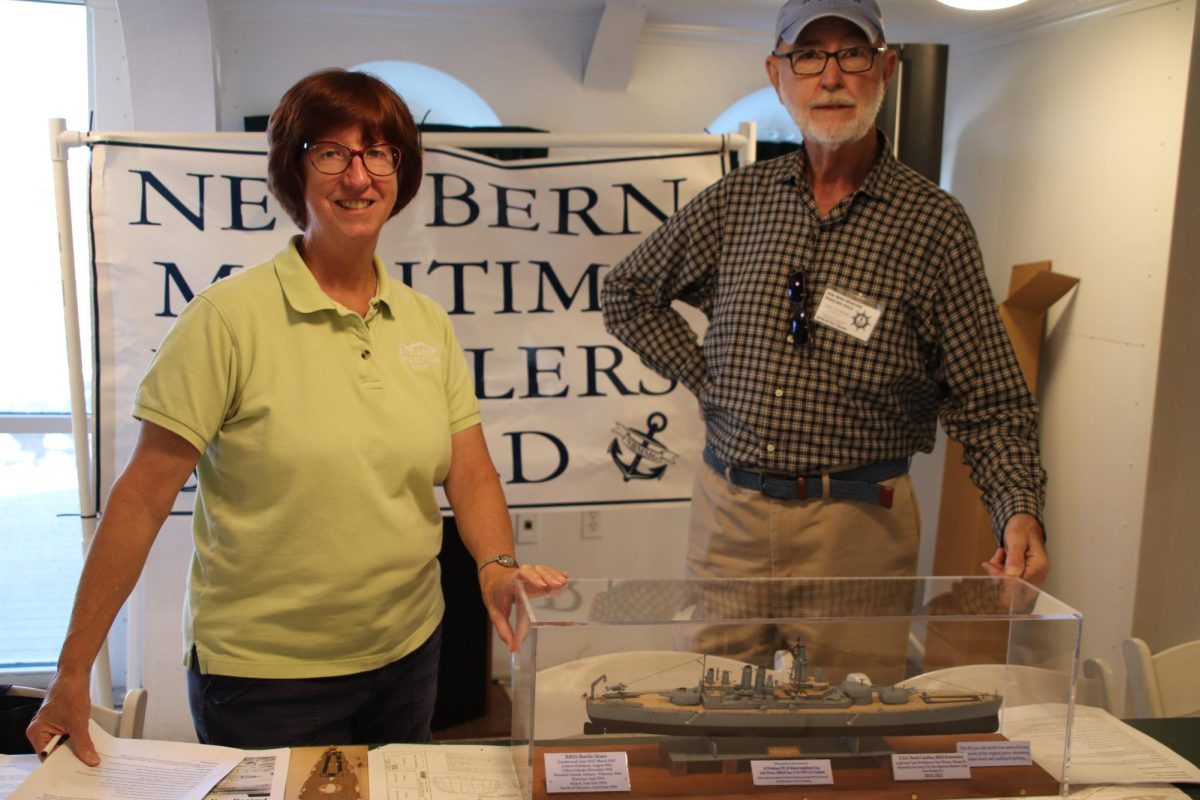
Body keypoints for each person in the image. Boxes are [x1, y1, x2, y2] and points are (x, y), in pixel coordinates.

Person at [27, 68, 566, 763]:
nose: (358, 175)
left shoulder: (425, 323)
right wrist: (72, 672)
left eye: (379, 153)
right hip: (266, 679)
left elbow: (471, 471)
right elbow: (140, 500)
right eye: (331, 152)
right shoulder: (226, 320)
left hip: (408, 653)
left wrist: (495, 567)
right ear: (294, 171)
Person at [601, 0, 1048, 672]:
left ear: (886, 68)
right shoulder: (737, 201)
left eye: (852, 53)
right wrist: (709, 381)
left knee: (849, 726)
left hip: (860, 527)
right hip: (731, 518)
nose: (831, 75)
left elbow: (992, 401)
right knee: (708, 708)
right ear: (778, 74)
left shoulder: (933, 226)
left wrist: (1018, 513)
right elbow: (626, 292)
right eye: (808, 56)